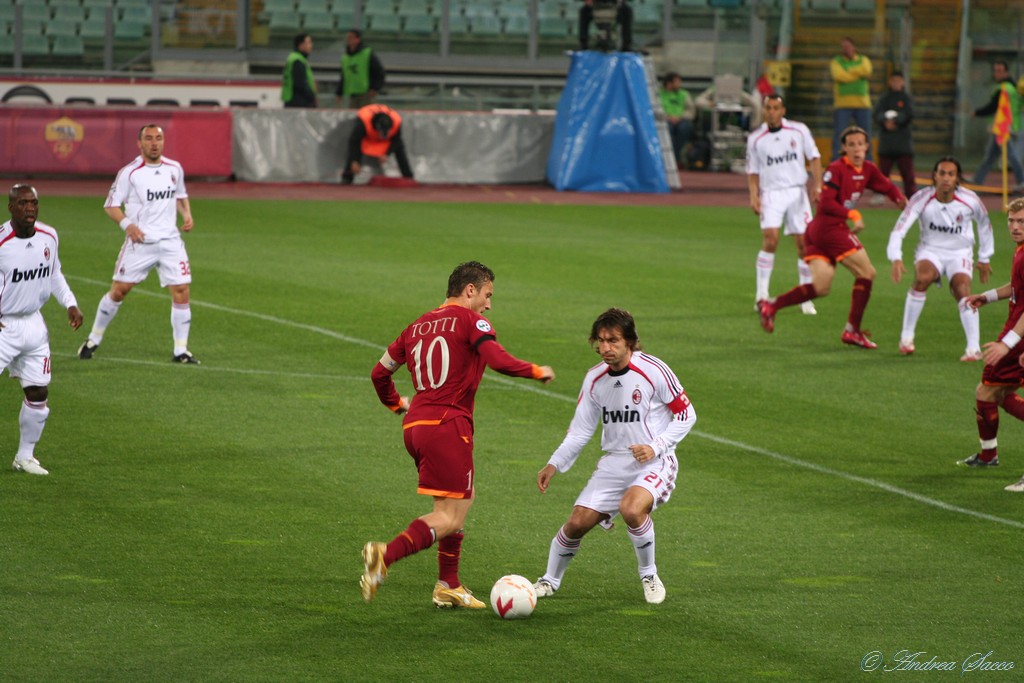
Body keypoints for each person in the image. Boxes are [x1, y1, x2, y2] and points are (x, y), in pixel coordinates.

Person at [364, 261, 554, 608]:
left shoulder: (415, 326)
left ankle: (447, 585)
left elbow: (379, 373)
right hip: (448, 426)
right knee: (449, 517)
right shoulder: (472, 321)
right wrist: (536, 370)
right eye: (487, 294)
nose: (489, 304)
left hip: (416, 427)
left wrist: (395, 405)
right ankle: (384, 555)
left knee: (458, 502)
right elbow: (496, 359)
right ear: (470, 290)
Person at [532, 308, 695, 605]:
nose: (605, 348)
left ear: (629, 341)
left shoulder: (654, 370)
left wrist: (656, 446)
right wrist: (554, 463)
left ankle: (649, 574)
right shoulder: (594, 379)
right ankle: (548, 581)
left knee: (632, 509)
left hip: (655, 460)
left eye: (613, 340)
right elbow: (581, 431)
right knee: (577, 523)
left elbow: (686, 414)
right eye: (601, 341)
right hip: (614, 462)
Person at [758, 126, 907, 348]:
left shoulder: (867, 168)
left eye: (860, 144)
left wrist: (901, 200)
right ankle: (852, 331)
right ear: (844, 148)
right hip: (829, 228)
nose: (857, 148)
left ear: (867, 147)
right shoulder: (836, 169)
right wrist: (852, 214)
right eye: (852, 144)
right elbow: (826, 203)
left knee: (821, 287)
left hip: (818, 233)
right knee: (867, 272)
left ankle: (772, 306)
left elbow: (885, 186)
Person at [79, 124, 199, 364]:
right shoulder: (130, 172)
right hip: (140, 242)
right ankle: (94, 338)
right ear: (140, 143)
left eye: (158, 138)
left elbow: (179, 194)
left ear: (163, 142)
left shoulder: (174, 168)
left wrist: (187, 214)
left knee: (181, 291)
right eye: (149, 139)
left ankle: (181, 350)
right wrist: (127, 225)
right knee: (119, 290)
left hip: (170, 242)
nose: (154, 143)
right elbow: (111, 205)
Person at [2, 185, 83, 476]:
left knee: (38, 391)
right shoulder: (1, 243)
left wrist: (70, 303)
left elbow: (54, 273)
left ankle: (25, 457)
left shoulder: (49, 236)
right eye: (23, 203)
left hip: (34, 324)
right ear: (11, 207)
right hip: (3, 326)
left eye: (34, 203)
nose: (30, 208)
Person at [887, 157, 993, 360]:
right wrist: (896, 257)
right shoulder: (922, 198)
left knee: (962, 290)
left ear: (957, 178)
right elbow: (900, 229)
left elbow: (985, 225)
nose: (946, 178)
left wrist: (984, 257)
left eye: (950, 174)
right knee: (922, 278)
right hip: (930, 250)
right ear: (934, 176)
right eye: (942, 173)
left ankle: (973, 348)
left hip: (960, 252)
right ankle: (906, 338)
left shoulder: (970, 200)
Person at [957, 198, 1024, 492]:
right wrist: (986, 296)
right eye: (1011, 221)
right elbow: (1016, 288)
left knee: (988, 391)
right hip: (1017, 332)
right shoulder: (1020, 252)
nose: (1015, 227)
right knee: (996, 392)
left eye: (1021, 221)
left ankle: (988, 455)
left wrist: (1007, 345)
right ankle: (988, 455)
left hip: (1019, 335)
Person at [746, 93, 823, 314]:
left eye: (775, 108)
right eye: (768, 108)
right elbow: (753, 171)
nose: (771, 112)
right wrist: (754, 195)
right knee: (770, 240)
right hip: (771, 193)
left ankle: (805, 297)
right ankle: (761, 295)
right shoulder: (756, 139)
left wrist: (818, 185)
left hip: (797, 193)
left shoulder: (799, 131)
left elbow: (815, 157)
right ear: (764, 110)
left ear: (783, 111)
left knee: (804, 245)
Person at [971, 60, 1024, 188]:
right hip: (1002, 126)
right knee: (990, 154)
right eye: (995, 71)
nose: (996, 74)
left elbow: (994, 106)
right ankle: (978, 179)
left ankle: (1022, 180)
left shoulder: (1004, 88)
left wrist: (977, 113)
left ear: (1006, 72)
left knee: (1011, 155)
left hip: (1005, 127)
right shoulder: (1013, 87)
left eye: (999, 71)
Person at [341, 104, 415, 185]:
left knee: (400, 148)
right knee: (356, 150)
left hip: (386, 141)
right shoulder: (363, 122)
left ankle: (409, 177)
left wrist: (386, 153)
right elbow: (354, 141)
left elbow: (396, 141)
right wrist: (354, 161)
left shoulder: (396, 121)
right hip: (367, 138)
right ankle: (347, 178)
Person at [872, 71, 917, 198]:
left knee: (908, 175)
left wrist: (896, 121)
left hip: (903, 143)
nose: (896, 83)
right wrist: (884, 122)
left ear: (903, 82)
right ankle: (879, 194)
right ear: (889, 82)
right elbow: (876, 114)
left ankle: (911, 197)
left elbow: (909, 114)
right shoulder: (884, 99)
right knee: (883, 173)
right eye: (893, 80)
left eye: (899, 80)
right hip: (887, 142)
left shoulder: (906, 98)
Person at [830, 37, 873, 161]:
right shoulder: (836, 61)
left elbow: (866, 70)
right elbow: (839, 76)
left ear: (853, 47)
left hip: (862, 104)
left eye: (848, 46)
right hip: (842, 104)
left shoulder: (863, 60)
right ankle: (836, 162)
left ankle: (867, 162)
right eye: (843, 47)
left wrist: (848, 71)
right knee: (839, 135)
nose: (846, 49)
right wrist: (857, 74)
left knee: (865, 135)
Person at [335, 29, 385, 109]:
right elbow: (343, 76)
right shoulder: (345, 57)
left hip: (366, 93)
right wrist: (339, 92)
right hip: (352, 93)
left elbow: (379, 71)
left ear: (358, 39)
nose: (348, 40)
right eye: (348, 38)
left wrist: (375, 88)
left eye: (351, 37)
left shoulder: (367, 53)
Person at [659, 72, 695, 167]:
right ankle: (667, 158)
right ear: (669, 83)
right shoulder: (659, 94)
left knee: (684, 128)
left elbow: (691, 111)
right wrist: (667, 117)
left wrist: (680, 117)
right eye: (677, 82)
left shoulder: (684, 94)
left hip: (681, 120)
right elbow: (655, 110)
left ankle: (676, 157)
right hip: (665, 120)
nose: (680, 84)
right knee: (666, 129)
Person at [281, 33, 317, 109]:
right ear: (301, 45)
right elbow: (301, 84)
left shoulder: (295, 58)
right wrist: (311, 97)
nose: (311, 45)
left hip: (294, 100)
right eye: (308, 42)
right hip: (299, 102)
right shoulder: (297, 61)